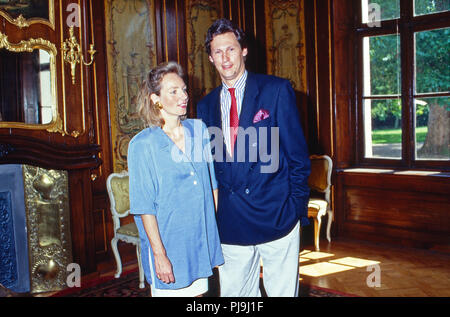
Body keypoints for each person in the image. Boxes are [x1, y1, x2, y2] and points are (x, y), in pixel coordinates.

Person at [197, 18, 311, 297]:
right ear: (211, 58)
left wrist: (295, 209)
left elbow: (298, 157)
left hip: (277, 216)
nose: (225, 58)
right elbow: (210, 168)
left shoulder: (276, 90)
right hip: (231, 222)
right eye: (218, 52)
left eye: (231, 49)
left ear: (243, 50)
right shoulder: (205, 105)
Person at [128, 61, 224, 297]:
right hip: (169, 241)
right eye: (174, 91)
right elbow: (144, 207)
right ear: (155, 99)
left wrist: (212, 237)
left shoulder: (199, 129)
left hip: (198, 238)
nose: (184, 96)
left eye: (184, 89)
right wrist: (159, 255)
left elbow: (212, 186)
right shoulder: (142, 145)